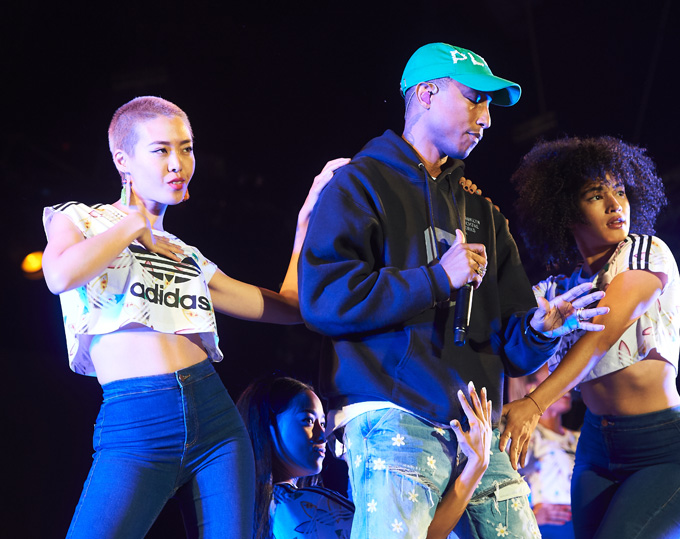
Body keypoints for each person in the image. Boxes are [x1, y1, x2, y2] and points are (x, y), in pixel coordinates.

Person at [297, 42, 608, 538]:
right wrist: (438, 277)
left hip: (479, 430)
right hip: (393, 417)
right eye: (474, 98)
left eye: (489, 105)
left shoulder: (483, 213)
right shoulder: (359, 185)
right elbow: (325, 300)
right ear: (426, 92)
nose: (485, 118)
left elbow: (513, 349)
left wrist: (543, 327)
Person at [41, 95, 348, 538]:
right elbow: (59, 275)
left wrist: (306, 223)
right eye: (161, 150)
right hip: (138, 423)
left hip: (215, 421)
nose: (178, 163)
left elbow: (290, 307)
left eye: (186, 148)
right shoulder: (82, 219)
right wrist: (133, 225)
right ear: (122, 160)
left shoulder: (187, 255)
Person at [505, 136, 680, 538]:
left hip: (666, 452)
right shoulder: (559, 291)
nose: (615, 204)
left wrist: (534, 403)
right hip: (595, 455)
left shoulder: (645, 253)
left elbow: (602, 333)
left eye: (619, 191)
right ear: (567, 212)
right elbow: (512, 344)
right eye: (595, 195)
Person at [236, 376, 494, 539]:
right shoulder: (296, 506)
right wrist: (475, 467)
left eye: (323, 423)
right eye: (307, 420)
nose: (322, 434)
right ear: (266, 425)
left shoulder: (253, 510)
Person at [509, 365, 579, 539]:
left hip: (581, 527)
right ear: (532, 389)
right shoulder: (526, 437)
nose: (567, 387)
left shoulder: (581, 437)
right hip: (546, 530)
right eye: (557, 381)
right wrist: (530, 514)